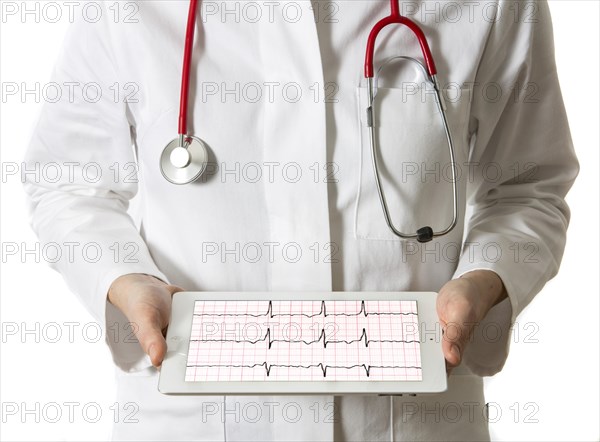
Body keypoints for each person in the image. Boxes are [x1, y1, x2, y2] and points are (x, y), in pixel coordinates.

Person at [23, 0, 578, 440]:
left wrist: (488, 277)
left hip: (414, 423)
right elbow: (68, 181)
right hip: (187, 423)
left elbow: (527, 185)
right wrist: (122, 279)